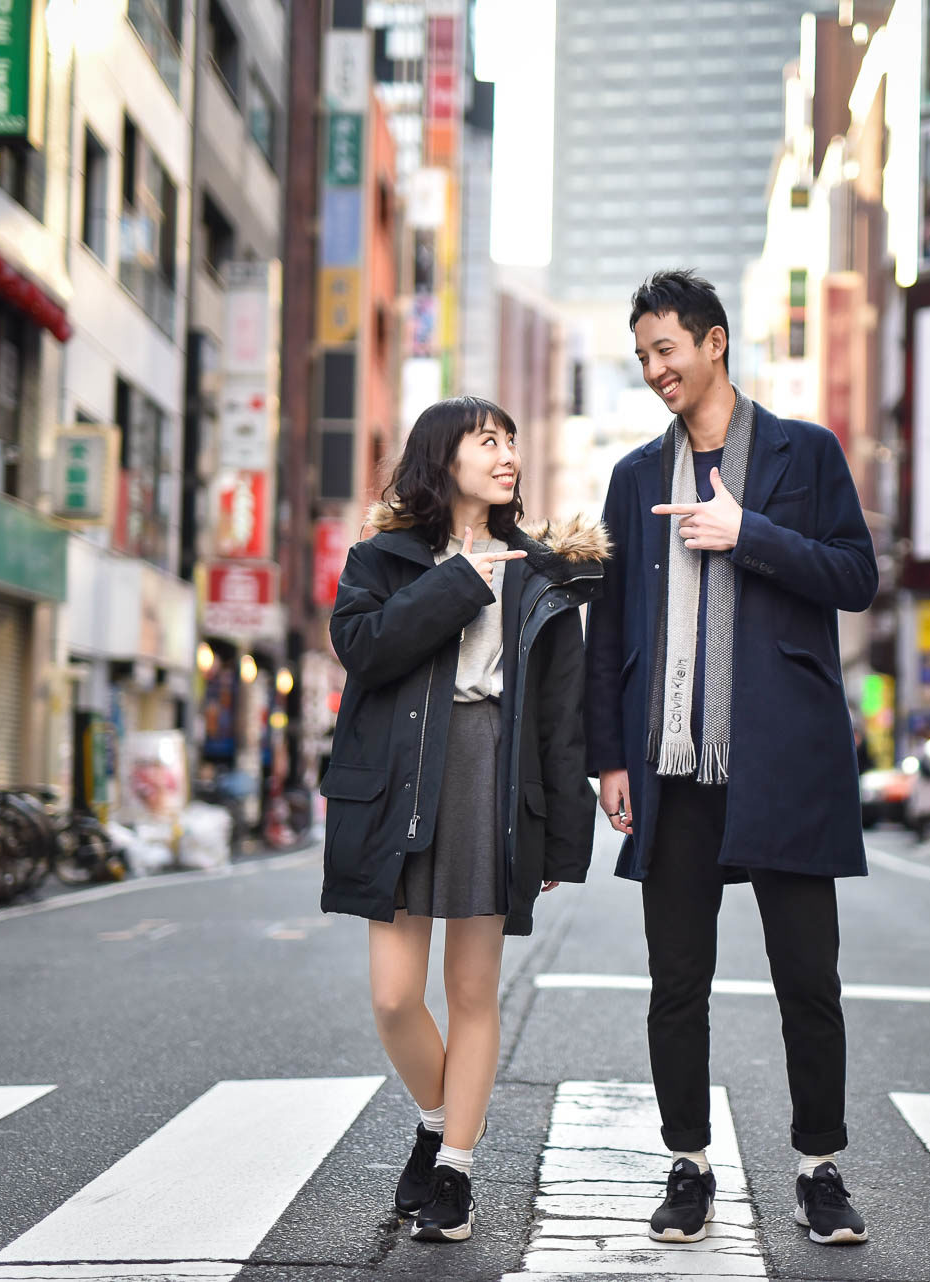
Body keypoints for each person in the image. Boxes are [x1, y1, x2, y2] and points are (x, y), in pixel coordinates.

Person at [585, 270, 877, 1248]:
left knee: (809, 976)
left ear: (715, 342)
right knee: (677, 981)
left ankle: (819, 1168)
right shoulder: (634, 479)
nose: (655, 370)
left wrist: (747, 532)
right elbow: (610, 624)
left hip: (783, 753)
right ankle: (690, 1163)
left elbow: (855, 575)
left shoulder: (806, 452)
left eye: (666, 349)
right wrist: (609, 757)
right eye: (642, 357)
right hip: (671, 765)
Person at [321, 396, 607, 1243]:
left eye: (511, 440)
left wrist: (562, 829)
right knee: (393, 996)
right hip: (405, 777)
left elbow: (562, 712)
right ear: (442, 458)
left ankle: (455, 1171)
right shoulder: (382, 557)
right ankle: (439, 1118)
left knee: (474, 990)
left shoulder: (542, 572)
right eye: (488, 440)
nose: (506, 453)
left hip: (495, 768)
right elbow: (363, 650)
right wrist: (454, 583)